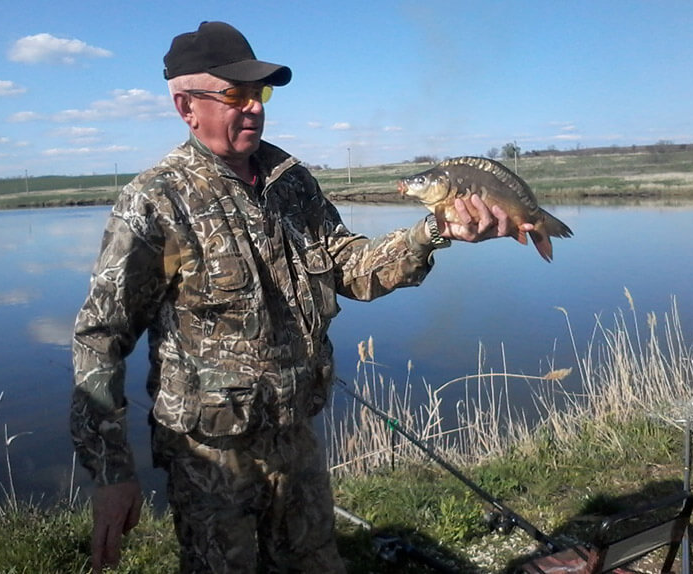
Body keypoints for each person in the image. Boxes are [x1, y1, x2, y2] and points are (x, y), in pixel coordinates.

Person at [70, 20, 533, 574]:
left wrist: (432, 232)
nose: (254, 108)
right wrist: (111, 473)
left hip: (296, 436)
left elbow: (351, 270)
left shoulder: (291, 181)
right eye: (235, 95)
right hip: (210, 457)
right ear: (186, 106)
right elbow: (99, 338)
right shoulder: (155, 201)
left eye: (259, 93)